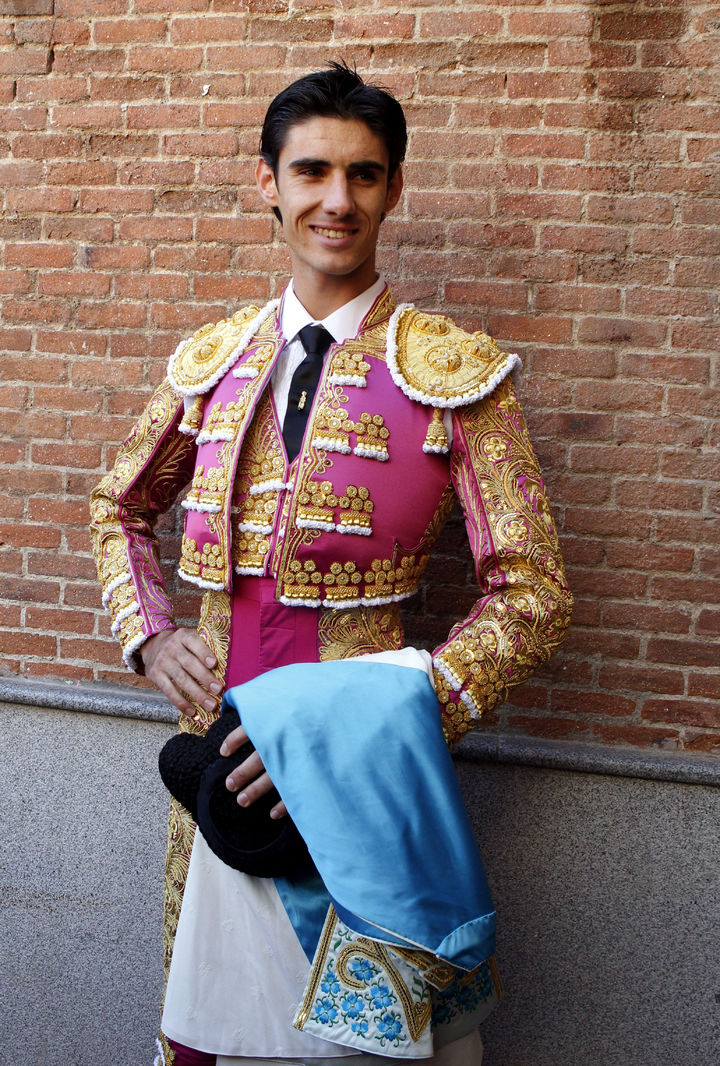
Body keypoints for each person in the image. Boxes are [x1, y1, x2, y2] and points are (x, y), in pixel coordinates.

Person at [90, 63, 572, 1066]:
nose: (336, 200)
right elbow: (120, 506)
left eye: (363, 174)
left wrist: (365, 724)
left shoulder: (455, 376)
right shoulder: (211, 364)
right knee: (206, 1041)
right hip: (216, 760)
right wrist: (150, 632)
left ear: (394, 187)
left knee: (366, 1049)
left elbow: (532, 594)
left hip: (362, 774)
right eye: (311, 170)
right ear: (267, 181)